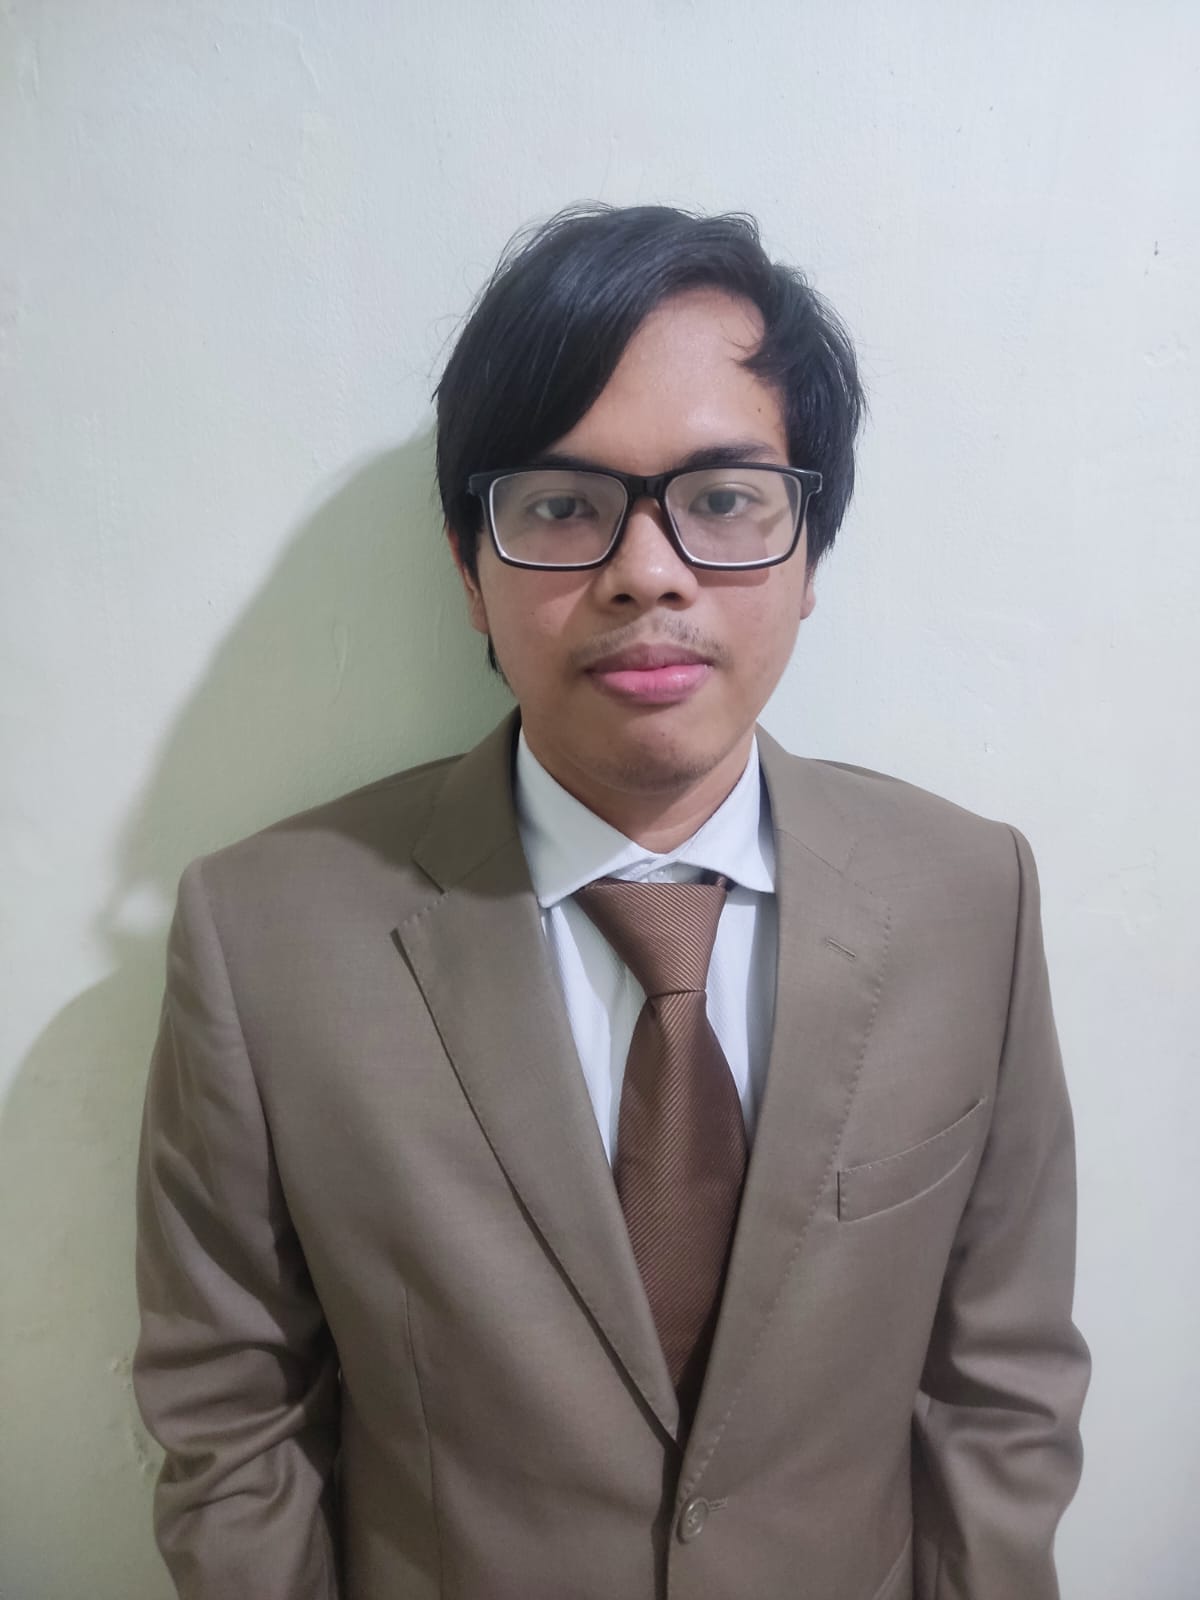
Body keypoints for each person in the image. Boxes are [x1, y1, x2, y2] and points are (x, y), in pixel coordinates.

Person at [133, 204, 1090, 1600]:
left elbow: (1001, 1380)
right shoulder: (265, 937)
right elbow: (231, 1418)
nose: (648, 570)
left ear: (809, 553)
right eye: (564, 505)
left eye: (725, 499)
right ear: (469, 567)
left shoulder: (968, 896)